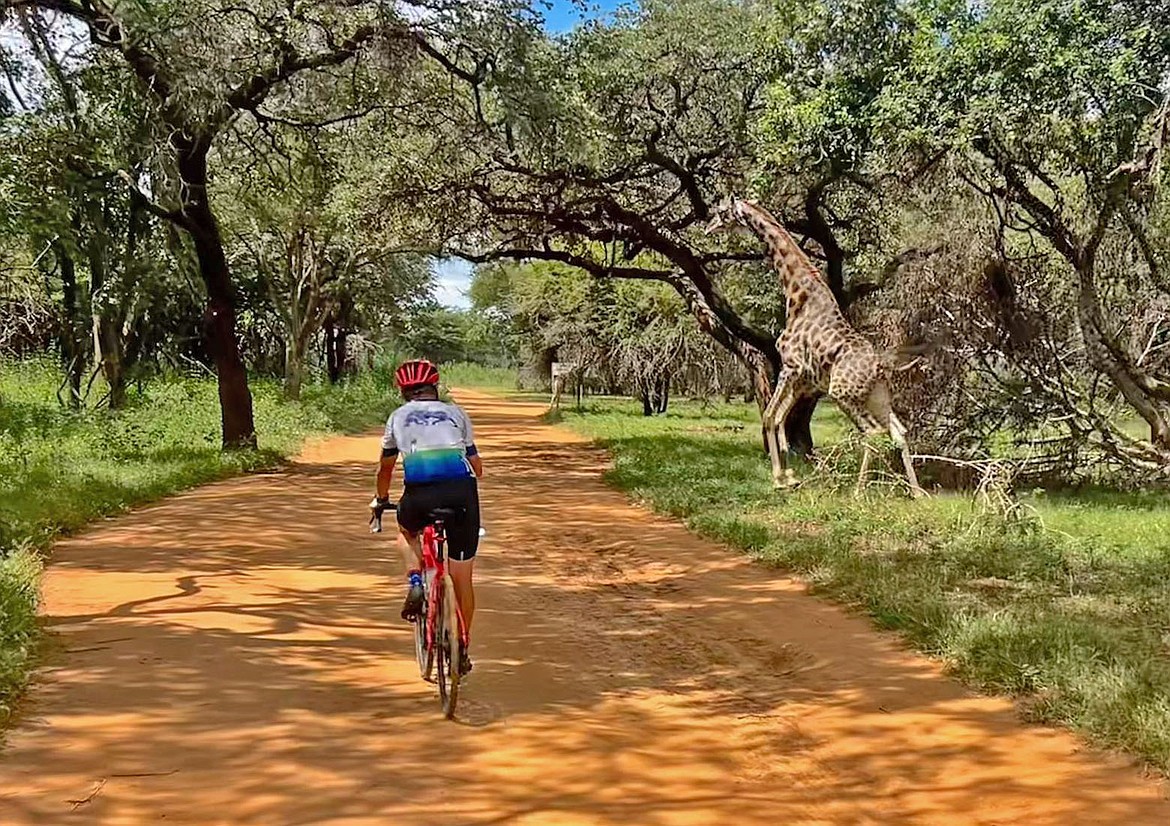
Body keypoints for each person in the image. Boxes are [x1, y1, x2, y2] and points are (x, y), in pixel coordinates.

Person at [372, 359, 483, 675]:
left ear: (404, 392)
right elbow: (477, 467)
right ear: (435, 387)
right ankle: (461, 645)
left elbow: (385, 468)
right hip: (461, 493)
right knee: (463, 577)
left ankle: (417, 580)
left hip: (420, 494)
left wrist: (381, 500)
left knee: (406, 532)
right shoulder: (457, 413)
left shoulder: (397, 418)